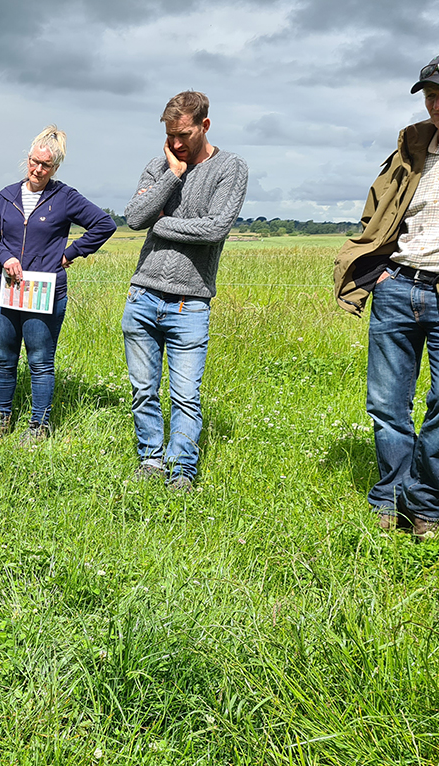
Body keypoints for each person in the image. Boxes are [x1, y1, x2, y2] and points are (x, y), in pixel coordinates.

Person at [334, 51, 439, 541]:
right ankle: (390, 497)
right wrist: (378, 272)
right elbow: (378, 207)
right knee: (387, 405)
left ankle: (425, 499)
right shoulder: (412, 146)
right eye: (431, 95)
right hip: (398, 288)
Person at [122, 92, 248, 492]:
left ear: (204, 126)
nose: (175, 143)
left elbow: (215, 230)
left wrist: (162, 225)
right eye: (169, 134)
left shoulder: (230, 168)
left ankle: (182, 472)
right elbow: (134, 218)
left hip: (189, 301)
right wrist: (172, 175)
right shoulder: (159, 166)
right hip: (142, 294)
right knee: (143, 390)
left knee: (185, 396)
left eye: (183, 134)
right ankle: (151, 460)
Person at [0, 126, 116, 443]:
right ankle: (0, 420)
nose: (38, 170)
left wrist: (71, 253)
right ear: (27, 159)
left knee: (40, 361)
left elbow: (103, 224)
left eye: (46, 165)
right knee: (4, 357)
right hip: (5, 290)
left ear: (55, 168)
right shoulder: (6, 196)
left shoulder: (64, 197)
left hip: (44, 292)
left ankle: (38, 427)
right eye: (34, 162)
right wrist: (5, 257)